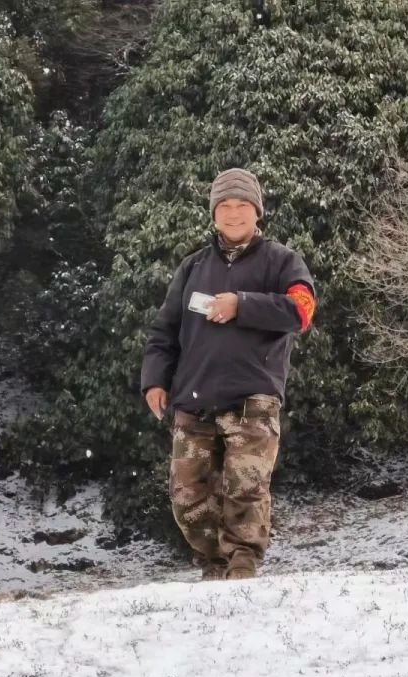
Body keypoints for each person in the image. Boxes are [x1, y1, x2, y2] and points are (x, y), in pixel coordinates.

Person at [140, 168, 317, 580]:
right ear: (213, 214)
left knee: (245, 489)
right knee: (187, 496)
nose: (234, 214)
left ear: (258, 212)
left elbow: (301, 311)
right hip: (192, 399)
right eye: (225, 206)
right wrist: (154, 379)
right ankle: (214, 564)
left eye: (242, 206)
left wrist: (242, 304)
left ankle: (242, 566)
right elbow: (164, 330)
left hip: (252, 398)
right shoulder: (192, 267)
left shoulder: (282, 260)